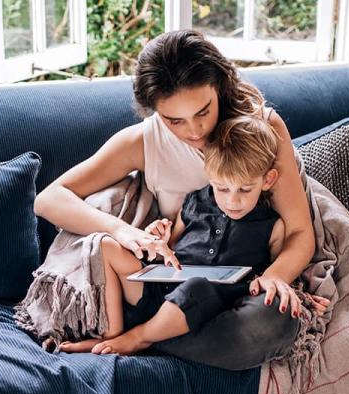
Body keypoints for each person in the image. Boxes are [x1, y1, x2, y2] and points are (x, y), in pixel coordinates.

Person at [33, 29, 329, 368]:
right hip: (170, 289)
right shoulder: (143, 142)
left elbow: (298, 232)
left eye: (203, 111)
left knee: (275, 319)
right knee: (228, 320)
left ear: (219, 87)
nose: (194, 131)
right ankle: (151, 333)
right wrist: (122, 231)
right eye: (174, 120)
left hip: (239, 290)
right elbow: (49, 198)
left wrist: (275, 277)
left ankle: (142, 337)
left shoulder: (262, 129)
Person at [59, 115, 315, 355]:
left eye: (245, 190)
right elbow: (168, 249)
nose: (232, 201)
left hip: (204, 301)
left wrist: (292, 289)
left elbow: (277, 272)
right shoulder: (193, 203)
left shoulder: (272, 226)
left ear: (268, 180)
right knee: (104, 244)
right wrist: (158, 238)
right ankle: (112, 333)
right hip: (159, 292)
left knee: (196, 287)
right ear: (210, 176)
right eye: (222, 188)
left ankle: (139, 337)